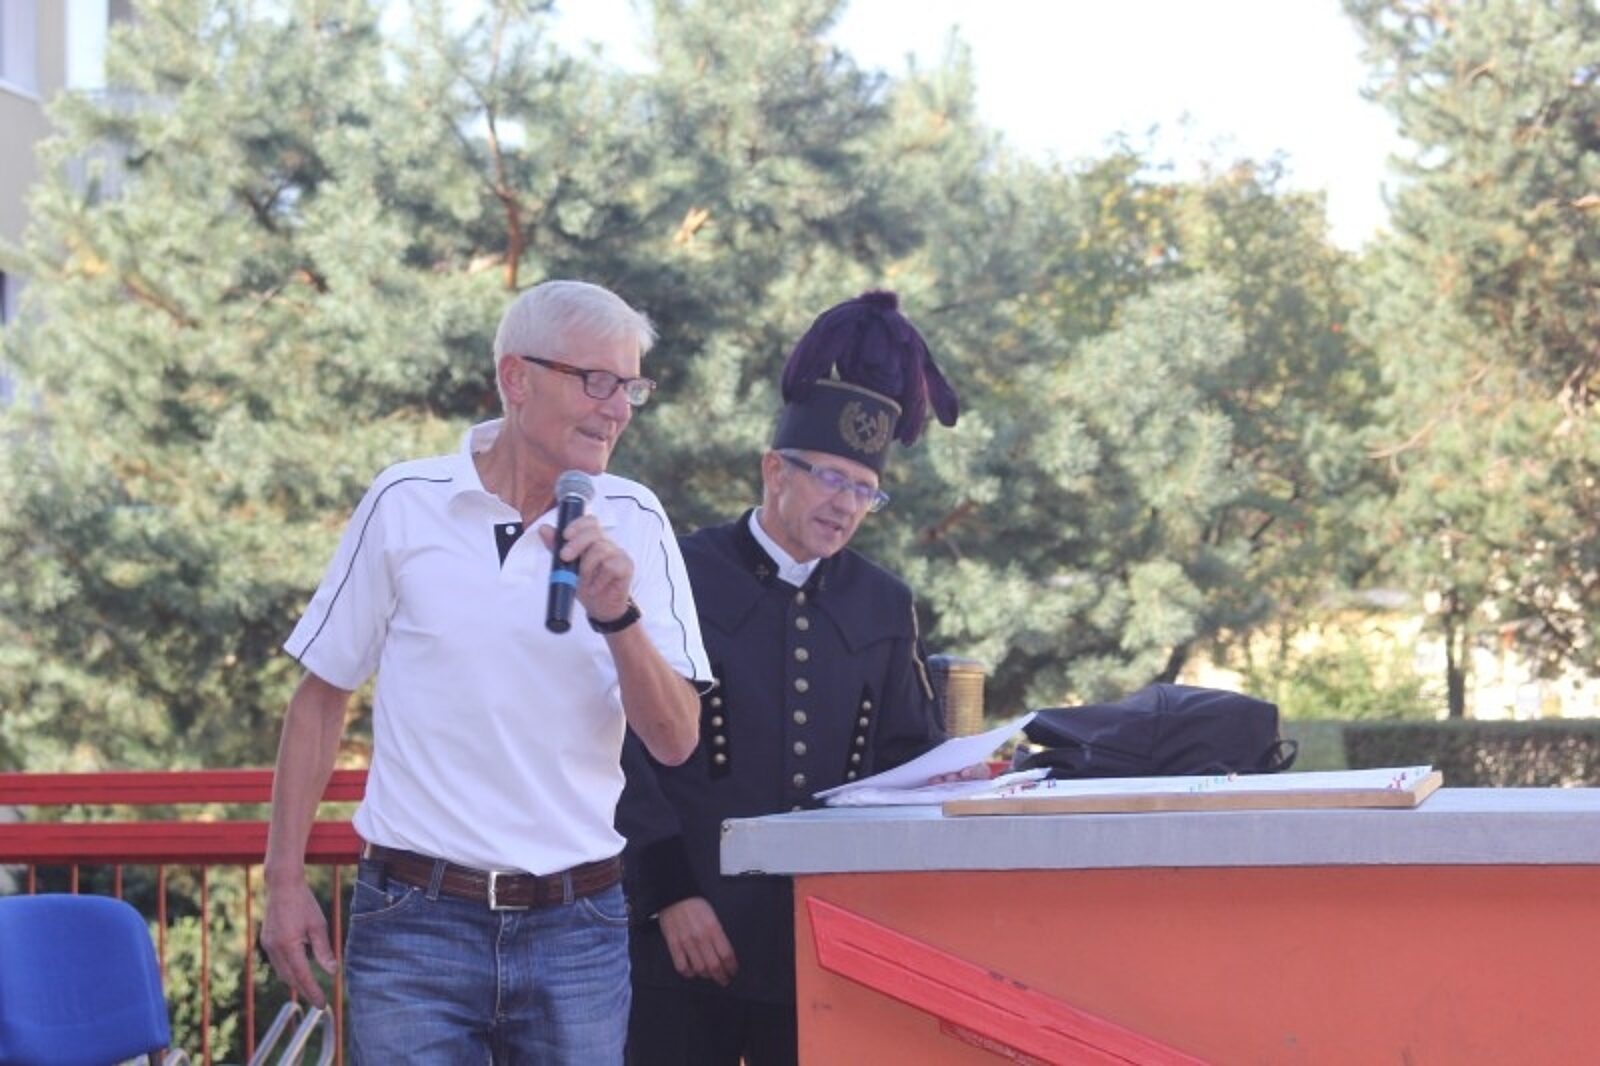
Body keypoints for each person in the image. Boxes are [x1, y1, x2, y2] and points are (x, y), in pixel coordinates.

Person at [260, 279, 713, 1065]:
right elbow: (322, 696)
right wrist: (282, 881)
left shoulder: (636, 519)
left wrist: (618, 617)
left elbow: (675, 740)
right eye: (596, 381)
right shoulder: (405, 501)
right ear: (516, 378)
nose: (618, 408)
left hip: (579, 927)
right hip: (414, 922)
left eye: (631, 387)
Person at [616, 290, 971, 1066]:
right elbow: (621, 747)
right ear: (774, 469)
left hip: (824, 941)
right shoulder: (679, 571)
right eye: (831, 479)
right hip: (683, 936)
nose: (846, 507)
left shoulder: (883, 602)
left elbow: (903, 759)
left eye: (865, 490)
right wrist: (669, 895)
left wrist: (964, 775)